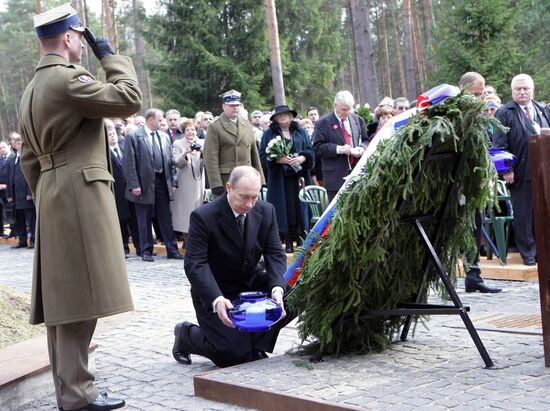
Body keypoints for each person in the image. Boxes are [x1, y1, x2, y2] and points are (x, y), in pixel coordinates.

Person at [18, 3, 142, 410]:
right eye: (81, 39)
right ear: (70, 38)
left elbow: (29, 161)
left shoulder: (31, 89)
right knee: (79, 300)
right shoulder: (69, 81)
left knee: (66, 299)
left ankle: (73, 389)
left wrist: (49, 192)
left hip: (56, 193)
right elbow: (129, 99)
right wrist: (110, 57)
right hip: (78, 194)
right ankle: (77, 395)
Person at [172, 166, 289, 367]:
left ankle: (254, 344)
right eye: (244, 197)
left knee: (292, 295)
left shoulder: (266, 210)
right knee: (232, 357)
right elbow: (195, 264)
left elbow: (275, 253)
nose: (250, 204)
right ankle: (187, 335)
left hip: (251, 285)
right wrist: (216, 299)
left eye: (255, 197)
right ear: (229, 188)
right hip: (218, 291)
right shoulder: (203, 217)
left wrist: (277, 288)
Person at [493, 74, 550, 266]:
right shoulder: (504, 112)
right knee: (524, 214)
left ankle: (544, 250)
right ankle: (529, 253)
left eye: (526, 88)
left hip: (544, 170)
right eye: (518, 89)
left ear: (533, 90)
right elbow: (500, 144)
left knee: (543, 213)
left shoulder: (542, 109)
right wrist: (507, 170)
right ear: (512, 91)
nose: (522, 92)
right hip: (520, 170)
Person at [457, 72, 502, 293]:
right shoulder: (455, 115)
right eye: (475, 93)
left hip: (477, 182)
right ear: (462, 89)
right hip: (458, 184)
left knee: (475, 226)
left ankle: (473, 275)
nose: (478, 98)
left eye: (481, 94)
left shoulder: (480, 116)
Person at [123, 108, 184, 262]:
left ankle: (172, 249)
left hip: (162, 182)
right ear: (150, 119)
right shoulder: (134, 136)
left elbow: (170, 162)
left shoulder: (164, 137)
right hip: (142, 184)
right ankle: (146, 250)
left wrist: (173, 182)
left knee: (165, 217)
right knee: (143, 218)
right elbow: (129, 163)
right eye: (160, 119)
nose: (162, 122)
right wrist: (134, 184)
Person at [260, 105, 314, 252]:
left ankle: (302, 239)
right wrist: (279, 160)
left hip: (300, 177)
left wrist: (302, 158)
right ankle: (288, 241)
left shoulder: (300, 131)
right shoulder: (268, 134)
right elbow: (263, 156)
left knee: (300, 207)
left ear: (291, 116)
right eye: (279, 115)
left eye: (285, 114)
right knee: (285, 209)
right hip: (280, 180)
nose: (283, 117)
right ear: (275, 118)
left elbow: (310, 151)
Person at [203, 89, 264, 198]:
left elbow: (254, 154)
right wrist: (215, 184)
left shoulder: (247, 124)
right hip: (227, 179)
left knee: (248, 210)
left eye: (237, 105)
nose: (235, 108)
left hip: (247, 177)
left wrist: (261, 179)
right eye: (231, 105)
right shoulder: (215, 127)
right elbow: (210, 158)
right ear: (224, 106)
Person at [312, 90, 370, 201]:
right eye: (344, 109)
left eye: (350, 108)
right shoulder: (323, 123)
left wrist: (361, 148)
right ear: (335, 105)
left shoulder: (358, 120)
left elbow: (366, 140)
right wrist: (339, 149)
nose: (347, 112)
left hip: (358, 174)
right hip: (335, 177)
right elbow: (317, 147)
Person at [106, 119, 140, 258]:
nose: (113, 136)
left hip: (129, 189)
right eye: (109, 134)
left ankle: (140, 247)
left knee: (134, 220)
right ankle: (124, 247)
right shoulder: (105, 154)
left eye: (114, 133)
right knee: (120, 221)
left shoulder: (123, 148)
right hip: (116, 191)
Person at [171, 119, 205, 242]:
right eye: (187, 130)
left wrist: (201, 150)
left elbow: (209, 160)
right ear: (183, 132)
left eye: (193, 129)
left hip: (198, 181)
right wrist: (185, 152)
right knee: (185, 211)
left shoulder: (202, 142)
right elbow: (176, 162)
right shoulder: (178, 144)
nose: (190, 132)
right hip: (184, 181)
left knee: (198, 208)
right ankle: (187, 240)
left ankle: (197, 238)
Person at [6, 134, 36, 249]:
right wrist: (9, 194)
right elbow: (9, 178)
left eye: (19, 142)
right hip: (15, 196)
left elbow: (31, 175)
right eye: (15, 142)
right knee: (19, 220)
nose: (17, 144)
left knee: (31, 219)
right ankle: (22, 240)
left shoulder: (28, 158)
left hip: (25, 194)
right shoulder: (12, 159)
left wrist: (30, 192)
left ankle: (33, 240)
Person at [0, 140, 12, 238]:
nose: (2, 149)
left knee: (12, 210)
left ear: (8, 146)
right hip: (0, 190)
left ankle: (15, 231)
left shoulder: (12, 158)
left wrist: (7, 186)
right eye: (0, 148)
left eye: (3, 147)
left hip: (10, 189)